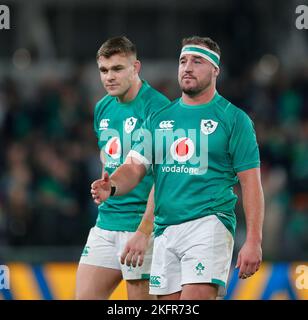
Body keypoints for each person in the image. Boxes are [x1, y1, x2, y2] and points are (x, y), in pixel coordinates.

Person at [91, 36, 264, 300]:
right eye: (183, 61)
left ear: (216, 70)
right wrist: (112, 185)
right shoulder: (160, 118)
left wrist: (254, 241)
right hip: (165, 230)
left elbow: (251, 183)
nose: (188, 67)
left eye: (197, 61)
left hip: (209, 224)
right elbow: (134, 167)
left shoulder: (233, 119)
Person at [76, 36, 170, 300]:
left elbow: (164, 179)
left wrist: (144, 231)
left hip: (141, 224)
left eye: (117, 69)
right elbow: (109, 157)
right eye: (104, 70)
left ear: (135, 68)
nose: (109, 77)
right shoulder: (103, 108)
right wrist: (106, 186)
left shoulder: (158, 109)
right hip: (106, 223)